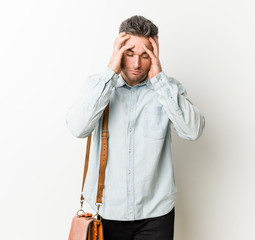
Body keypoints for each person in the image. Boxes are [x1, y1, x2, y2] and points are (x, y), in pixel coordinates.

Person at [65, 15, 205, 240]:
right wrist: (110, 71)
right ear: (118, 51)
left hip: (156, 215)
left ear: (155, 55)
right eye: (129, 54)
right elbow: (78, 128)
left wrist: (160, 79)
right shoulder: (96, 86)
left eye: (145, 55)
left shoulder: (168, 90)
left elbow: (193, 131)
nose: (136, 64)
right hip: (105, 214)